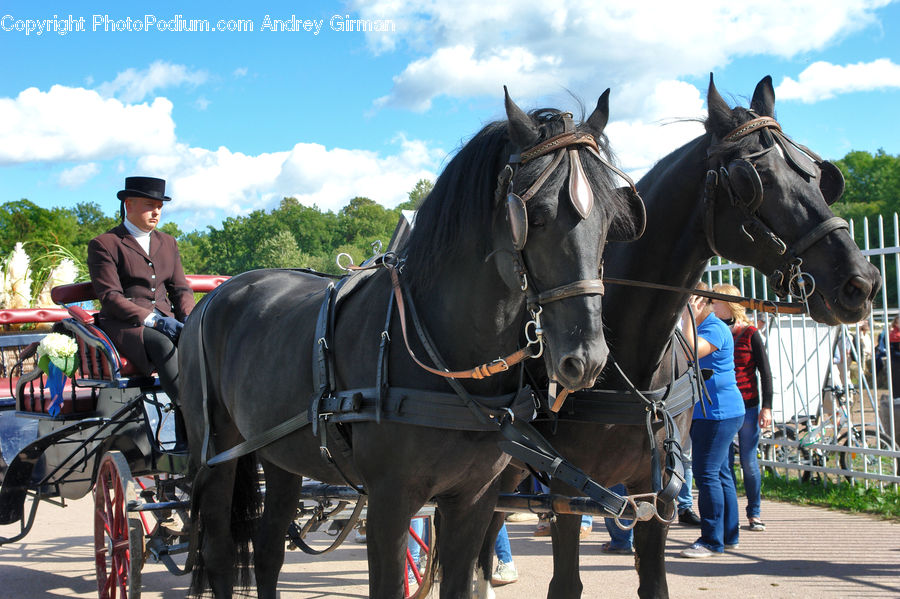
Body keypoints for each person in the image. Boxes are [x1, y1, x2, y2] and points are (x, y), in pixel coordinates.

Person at [87, 176, 194, 448]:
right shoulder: (105, 244)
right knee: (162, 342)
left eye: (160, 205)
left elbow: (180, 289)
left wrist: (192, 322)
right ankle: (189, 430)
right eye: (149, 205)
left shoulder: (168, 242)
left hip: (164, 320)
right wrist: (155, 322)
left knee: (197, 339)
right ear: (128, 204)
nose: (156, 211)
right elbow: (110, 298)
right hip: (126, 325)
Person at [678, 283, 744, 558]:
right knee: (721, 474)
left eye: (685, 302)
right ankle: (728, 536)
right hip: (716, 411)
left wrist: (687, 319)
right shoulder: (709, 326)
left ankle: (711, 540)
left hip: (717, 413)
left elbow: (689, 351)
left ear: (697, 303)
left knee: (707, 475)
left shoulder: (713, 327)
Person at [712, 283, 773, 533]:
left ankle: (754, 512)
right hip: (723, 407)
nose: (711, 305)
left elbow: (765, 373)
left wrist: (766, 407)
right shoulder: (713, 331)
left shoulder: (749, 333)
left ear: (729, 304)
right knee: (723, 464)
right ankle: (730, 515)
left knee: (748, 461)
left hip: (748, 405)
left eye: (715, 301)